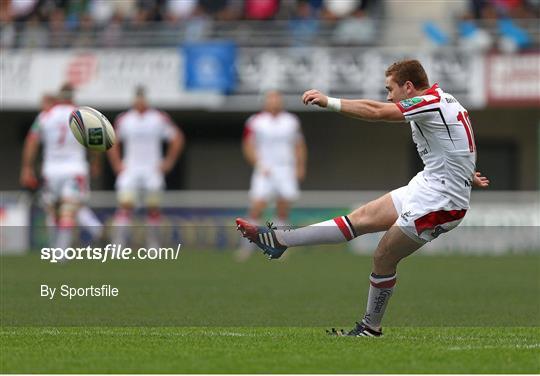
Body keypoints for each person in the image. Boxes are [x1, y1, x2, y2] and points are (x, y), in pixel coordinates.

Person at [236, 60, 489, 337]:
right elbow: (457, 138)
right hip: (429, 185)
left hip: (442, 203)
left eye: (390, 89)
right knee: (359, 219)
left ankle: (370, 328)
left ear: (408, 86)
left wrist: (328, 101)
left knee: (383, 256)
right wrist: (465, 173)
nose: (389, 96)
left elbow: (376, 111)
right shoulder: (444, 100)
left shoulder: (430, 102)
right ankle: (281, 240)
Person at [20, 85, 103, 250]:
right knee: (69, 210)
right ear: (73, 96)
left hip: (51, 171)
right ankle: (63, 252)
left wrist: (27, 167)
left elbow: (32, 141)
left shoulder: (45, 116)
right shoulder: (83, 115)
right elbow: (95, 140)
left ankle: (55, 249)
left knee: (52, 210)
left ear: (59, 96)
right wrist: (95, 162)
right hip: (75, 170)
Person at [107, 86, 184, 249]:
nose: (140, 101)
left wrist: (168, 161)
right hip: (131, 168)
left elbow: (177, 138)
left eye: (142, 98)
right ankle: (118, 244)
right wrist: (117, 163)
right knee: (125, 204)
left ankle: (153, 244)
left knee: (153, 207)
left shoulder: (158, 118)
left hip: (152, 169)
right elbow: (112, 141)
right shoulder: (125, 119)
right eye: (137, 98)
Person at [236, 90, 307, 261]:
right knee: (257, 207)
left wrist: (300, 166)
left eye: (277, 98)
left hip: (285, 168)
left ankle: (280, 245)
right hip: (264, 169)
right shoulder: (255, 121)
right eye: (271, 99)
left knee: (283, 209)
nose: (274, 102)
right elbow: (248, 146)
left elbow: (299, 145)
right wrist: (258, 163)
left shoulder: (291, 121)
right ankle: (246, 247)